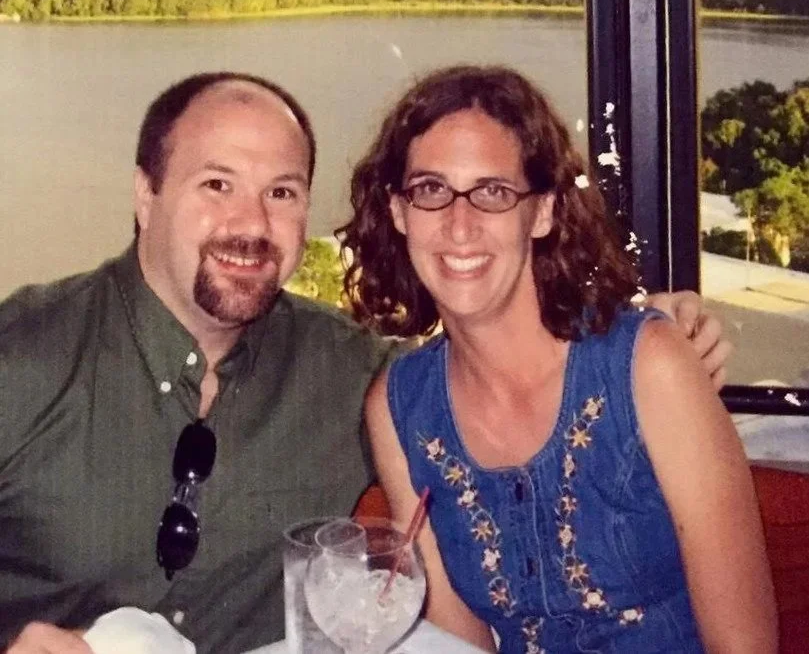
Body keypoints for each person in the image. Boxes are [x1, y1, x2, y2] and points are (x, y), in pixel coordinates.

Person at [1, 70, 730, 654]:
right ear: (145, 194)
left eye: (281, 192)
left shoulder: (357, 375)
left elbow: (488, 361)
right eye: (216, 184)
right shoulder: (22, 358)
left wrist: (645, 326)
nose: (251, 224)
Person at [341, 65, 776, 652]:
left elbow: (745, 645)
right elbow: (458, 642)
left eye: (493, 191)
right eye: (430, 189)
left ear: (541, 211)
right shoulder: (400, 408)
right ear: (398, 212)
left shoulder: (648, 367)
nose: (459, 224)